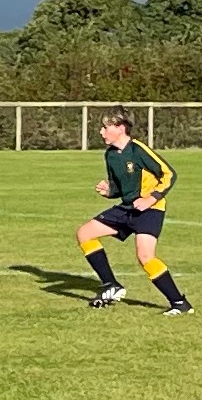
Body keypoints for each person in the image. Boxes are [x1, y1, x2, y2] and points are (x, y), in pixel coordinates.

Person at [76, 109, 190, 313]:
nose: (101, 132)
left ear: (120, 128)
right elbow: (119, 187)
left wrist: (151, 198)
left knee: (145, 257)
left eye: (105, 127)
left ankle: (179, 303)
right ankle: (111, 285)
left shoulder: (138, 150)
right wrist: (109, 190)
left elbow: (169, 174)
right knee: (85, 233)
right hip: (127, 208)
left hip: (150, 210)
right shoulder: (110, 155)